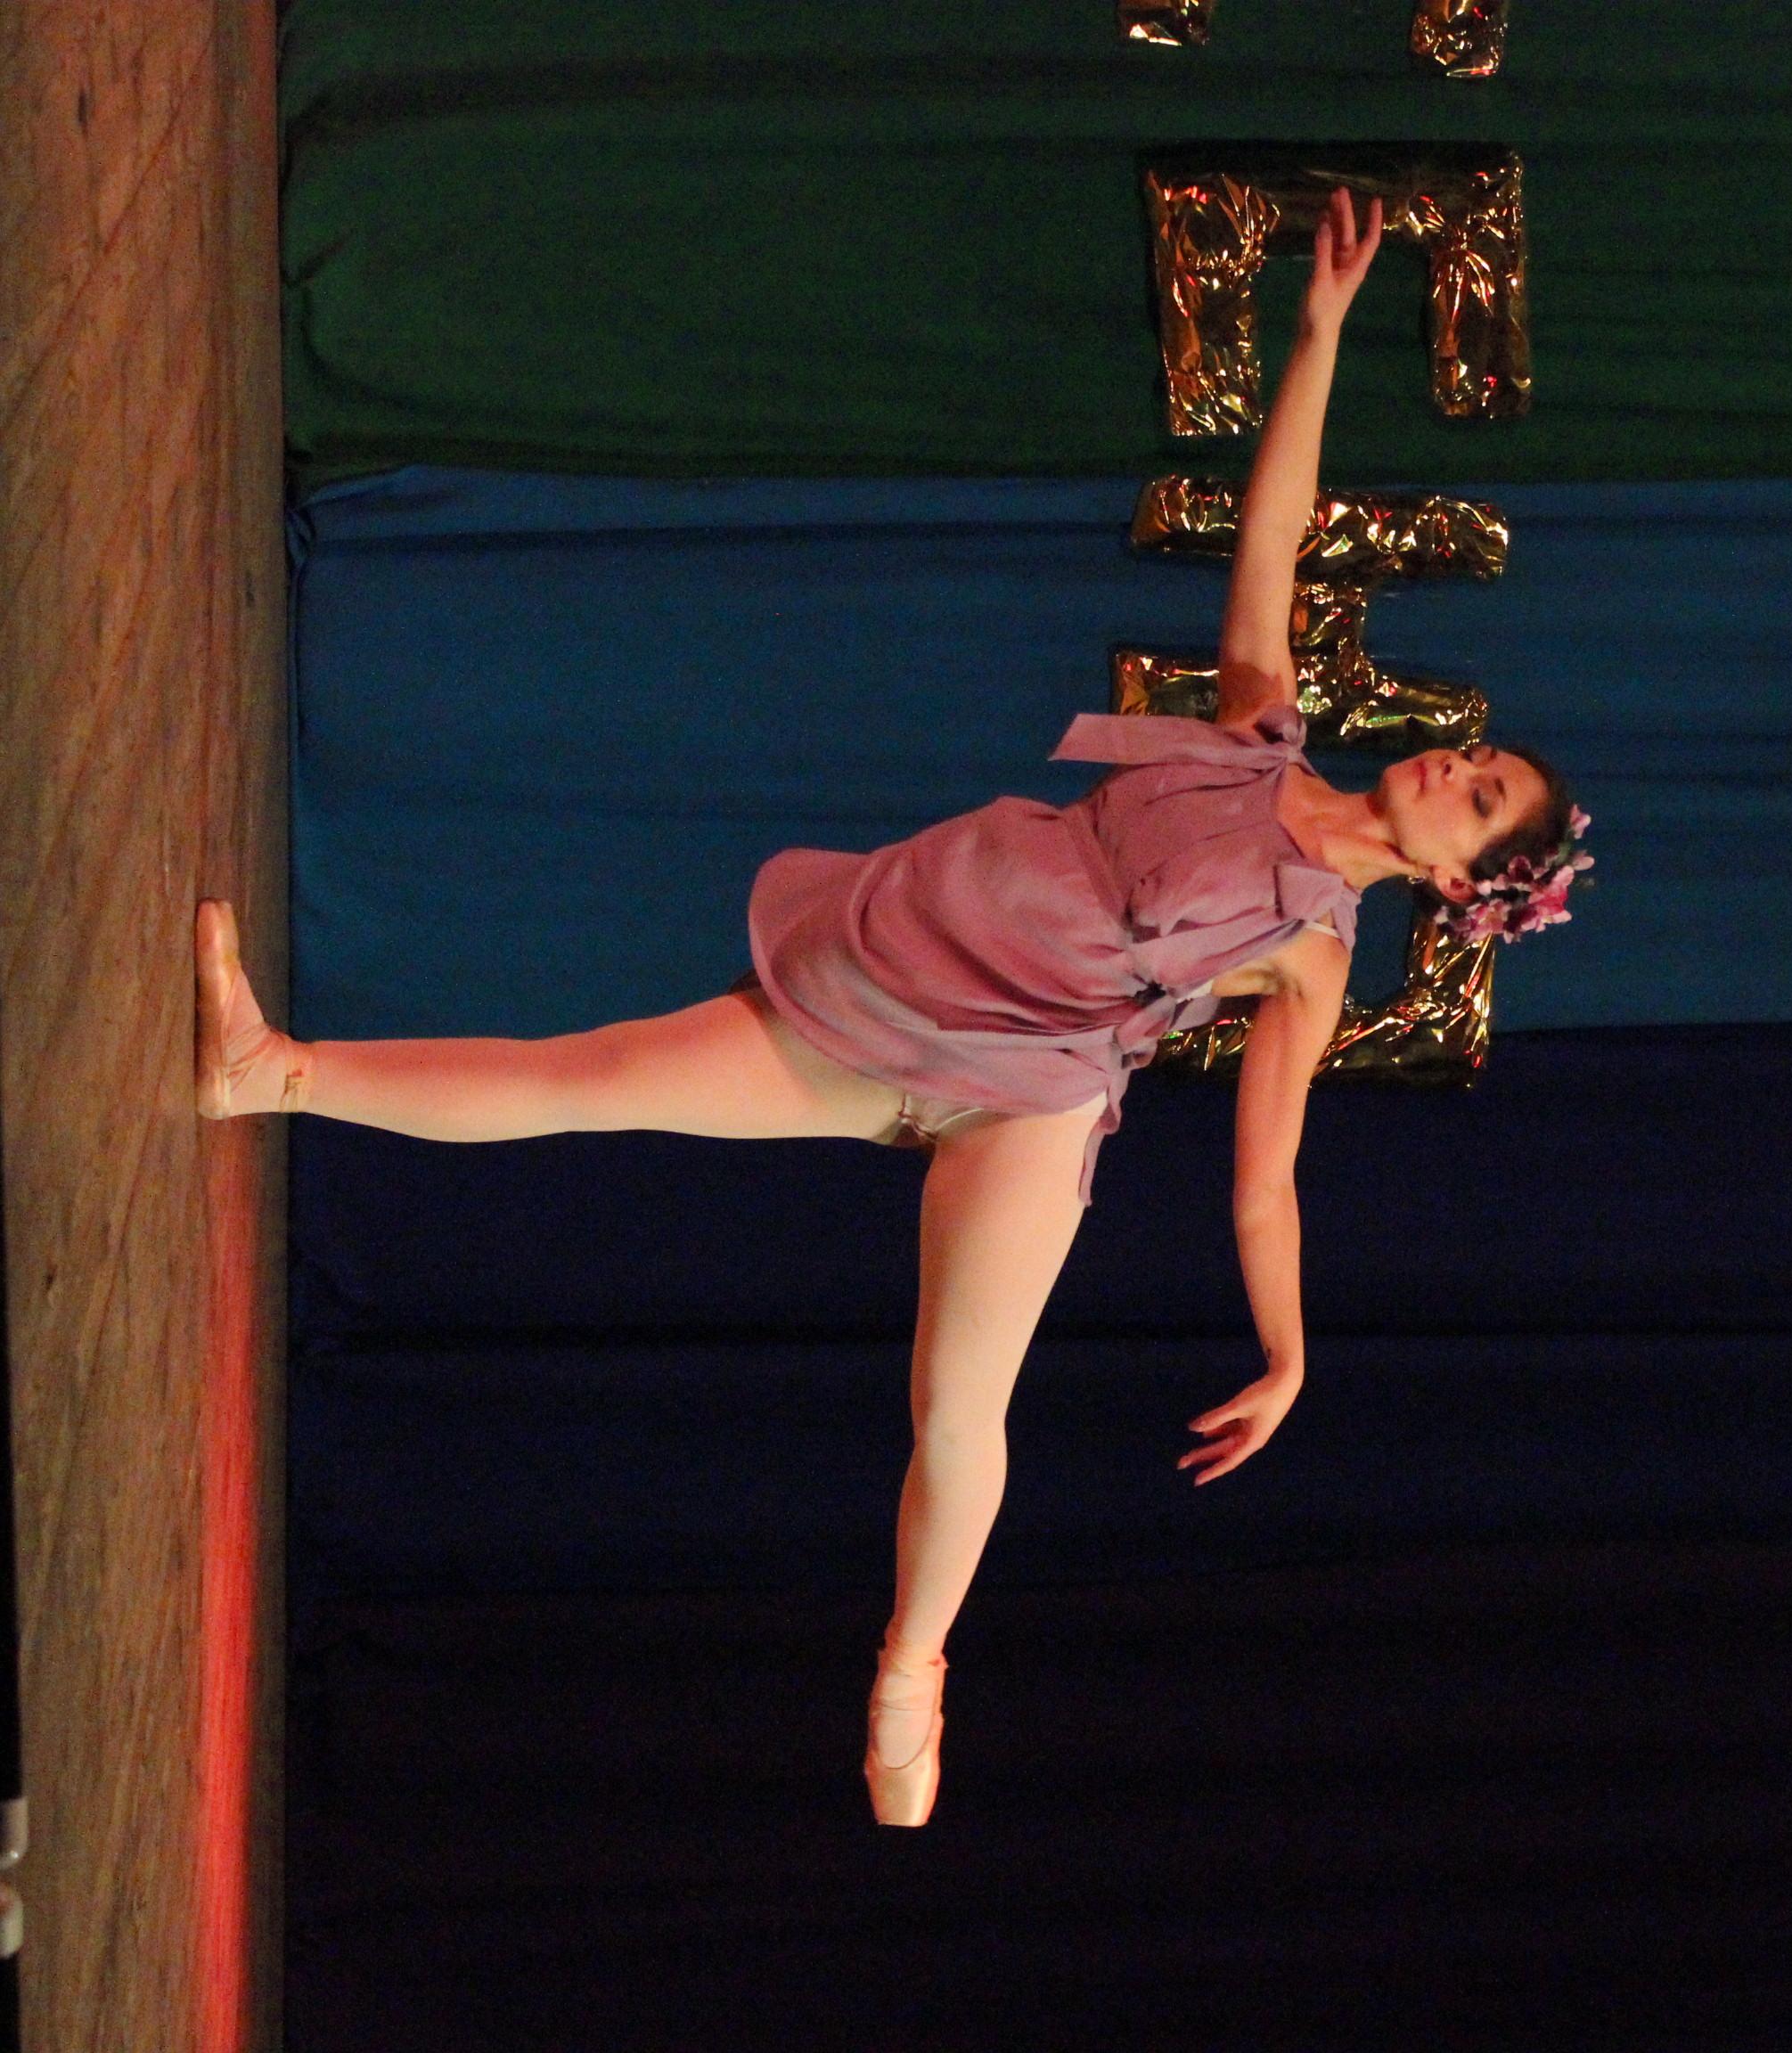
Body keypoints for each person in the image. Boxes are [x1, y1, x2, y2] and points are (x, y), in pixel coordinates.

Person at [194, 190, 1586, 1828]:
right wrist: (1323, 330)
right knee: (593, 1076)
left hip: (1031, 1094)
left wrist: (1286, 1355)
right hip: (897, 986)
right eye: (1476, 758)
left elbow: (1263, 1183)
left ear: (1458, 877)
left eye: (1479, 797)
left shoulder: (1317, 952)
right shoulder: (1254, 729)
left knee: (956, 1398)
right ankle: (269, 1072)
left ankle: (914, 1671)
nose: (1452, 767)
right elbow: (1273, 533)